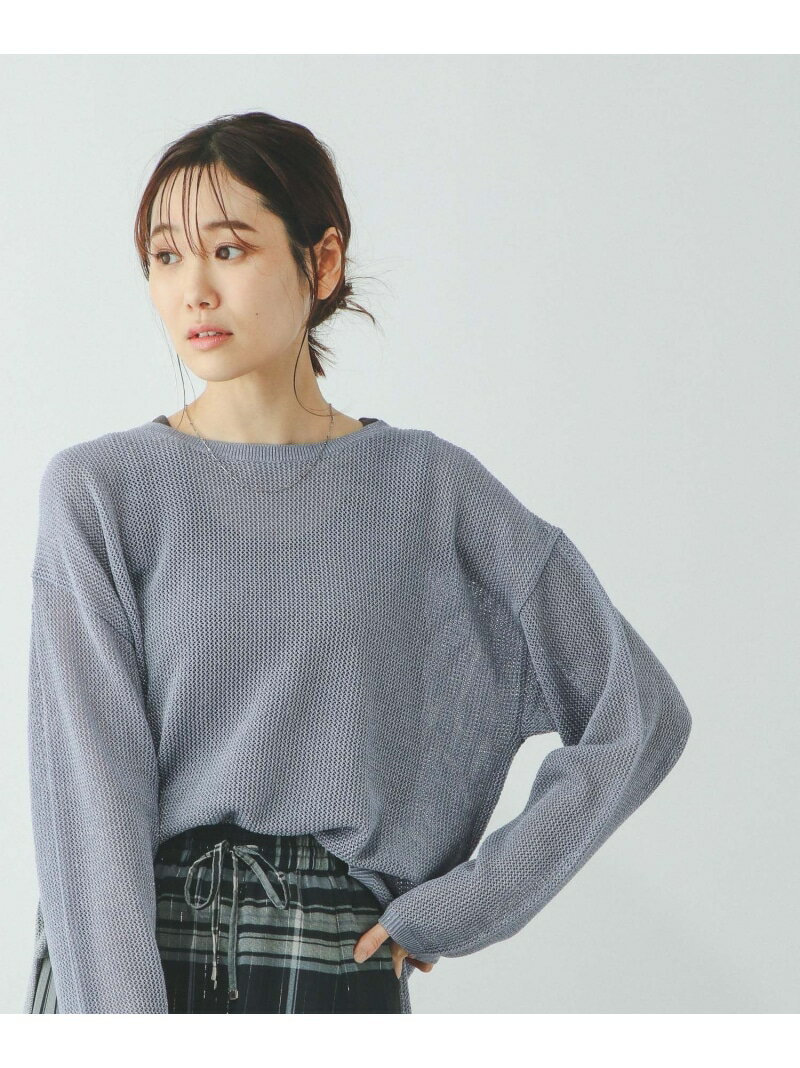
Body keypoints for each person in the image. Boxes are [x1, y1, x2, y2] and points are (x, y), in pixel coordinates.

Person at [24, 111, 692, 1015]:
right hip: (132, 957)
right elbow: (87, 813)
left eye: (228, 249)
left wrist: (461, 908)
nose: (194, 290)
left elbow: (638, 714)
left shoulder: (429, 490)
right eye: (166, 257)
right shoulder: (100, 492)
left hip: (334, 961)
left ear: (323, 261)